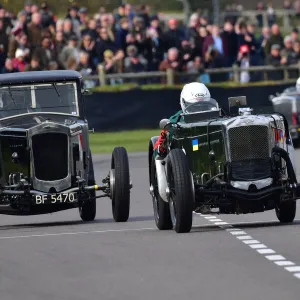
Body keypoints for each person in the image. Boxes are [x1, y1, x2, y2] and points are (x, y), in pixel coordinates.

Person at [154, 82, 211, 156]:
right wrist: (163, 143)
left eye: (203, 105)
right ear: (184, 103)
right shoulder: (174, 122)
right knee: (195, 143)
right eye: (194, 106)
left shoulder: (217, 115)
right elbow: (157, 154)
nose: (199, 109)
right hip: (188, 158)